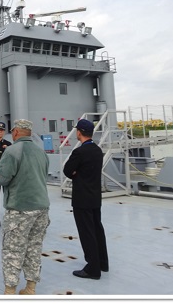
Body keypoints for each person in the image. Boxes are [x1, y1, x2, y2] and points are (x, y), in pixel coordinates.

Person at [0, 119, 50, 295]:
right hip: (41, 209)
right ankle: (30, 288)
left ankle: (10, 292)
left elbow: (1, 179)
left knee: (13, 250)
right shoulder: (42, 153)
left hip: (20, 210)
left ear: (15, 132)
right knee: (34, 248)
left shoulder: (12, 151)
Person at [63, 119, 109, 280]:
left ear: (79, 132)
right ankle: (103, 263)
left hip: (82, 199)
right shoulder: (97, 150)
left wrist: (76, 173)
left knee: (86, 233)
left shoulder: (79, 152)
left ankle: (92, 268)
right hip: (95, 197)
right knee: (97, 229)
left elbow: (67, 170)